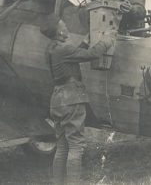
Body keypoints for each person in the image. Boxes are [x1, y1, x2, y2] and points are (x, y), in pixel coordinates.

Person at [40, 14, 115, 185]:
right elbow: (93, 54)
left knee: (62, 146)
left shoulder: (52, 49)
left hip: (58, 99)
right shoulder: (63, 49)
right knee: (75, 146)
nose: (66, 27)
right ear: (59, 32)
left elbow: (73, 56)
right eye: (63, 25)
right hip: (71, 98)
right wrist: (108, 39)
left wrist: (86, 41)